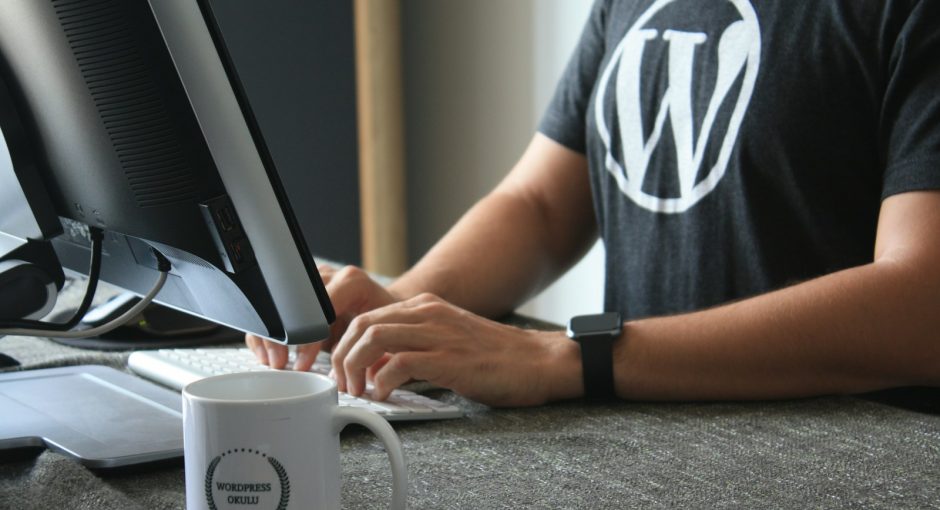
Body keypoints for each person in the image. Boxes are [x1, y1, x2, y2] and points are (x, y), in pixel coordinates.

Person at [248, 0, 940, 407]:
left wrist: (570, 359)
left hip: (839, 462)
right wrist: (398, 313)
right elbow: (542, 202)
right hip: (644, 440)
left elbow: (923, 303)